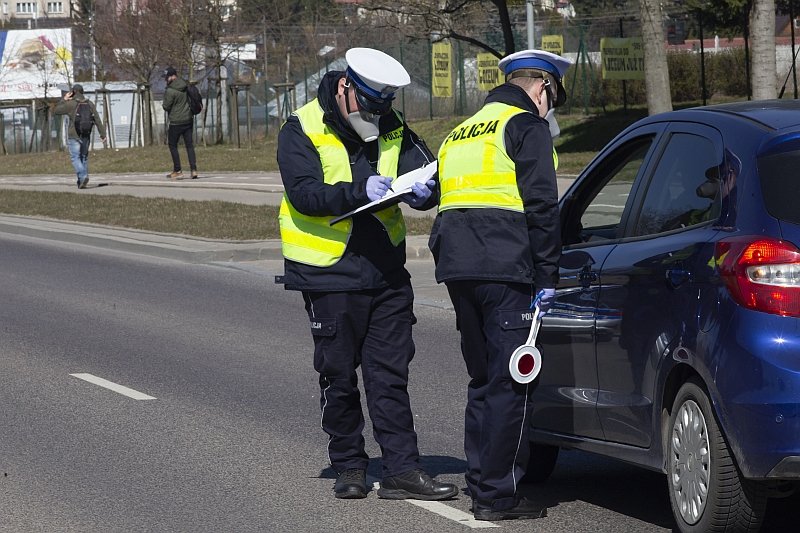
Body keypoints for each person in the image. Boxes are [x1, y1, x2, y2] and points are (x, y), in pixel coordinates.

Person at [276, 47, 456, 502]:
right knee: (338, 376)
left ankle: (402, 470)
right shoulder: (302, 127)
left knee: (389, 375)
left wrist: (425, 192)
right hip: (329, 274)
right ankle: (349, 465)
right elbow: (304, 195)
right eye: (370, 105)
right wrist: (359, 190)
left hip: (385, 273)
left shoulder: (390, 123)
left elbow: (425, 169)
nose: (376, 116)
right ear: (346, 88)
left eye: (383, 107)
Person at [428, 49, 572, 521]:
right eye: (553, 99)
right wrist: (548, 276)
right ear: (542, 88)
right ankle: (497, 496)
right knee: (512, 383)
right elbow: (542, 208)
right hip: (507, 269)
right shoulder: (525, 127)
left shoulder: (460, 132)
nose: (550, 110)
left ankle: (481, 484)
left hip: (459, 269)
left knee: (483, 380)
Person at [54, 84, 106, 189]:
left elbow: (56, 110)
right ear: (83, 92)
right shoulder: (90, 104)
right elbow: (97, 119)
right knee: (84, 157)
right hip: (86, 134)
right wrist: (102, 134)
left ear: (73, 92)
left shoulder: (71, 104)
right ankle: (81, 182)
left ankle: (83, 176)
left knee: (75, 157)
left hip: (74, 135)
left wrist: (64, 99)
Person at [162, 66, 198, 180]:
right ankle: (193, 170)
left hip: (176, 122)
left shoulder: (170, 90)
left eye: (167, 77)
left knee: (172, 145)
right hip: (188, 120)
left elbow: (166, 106)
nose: (166, 79)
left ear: (173, 76)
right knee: (189, 145)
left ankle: (178, 170)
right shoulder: (185, 85)